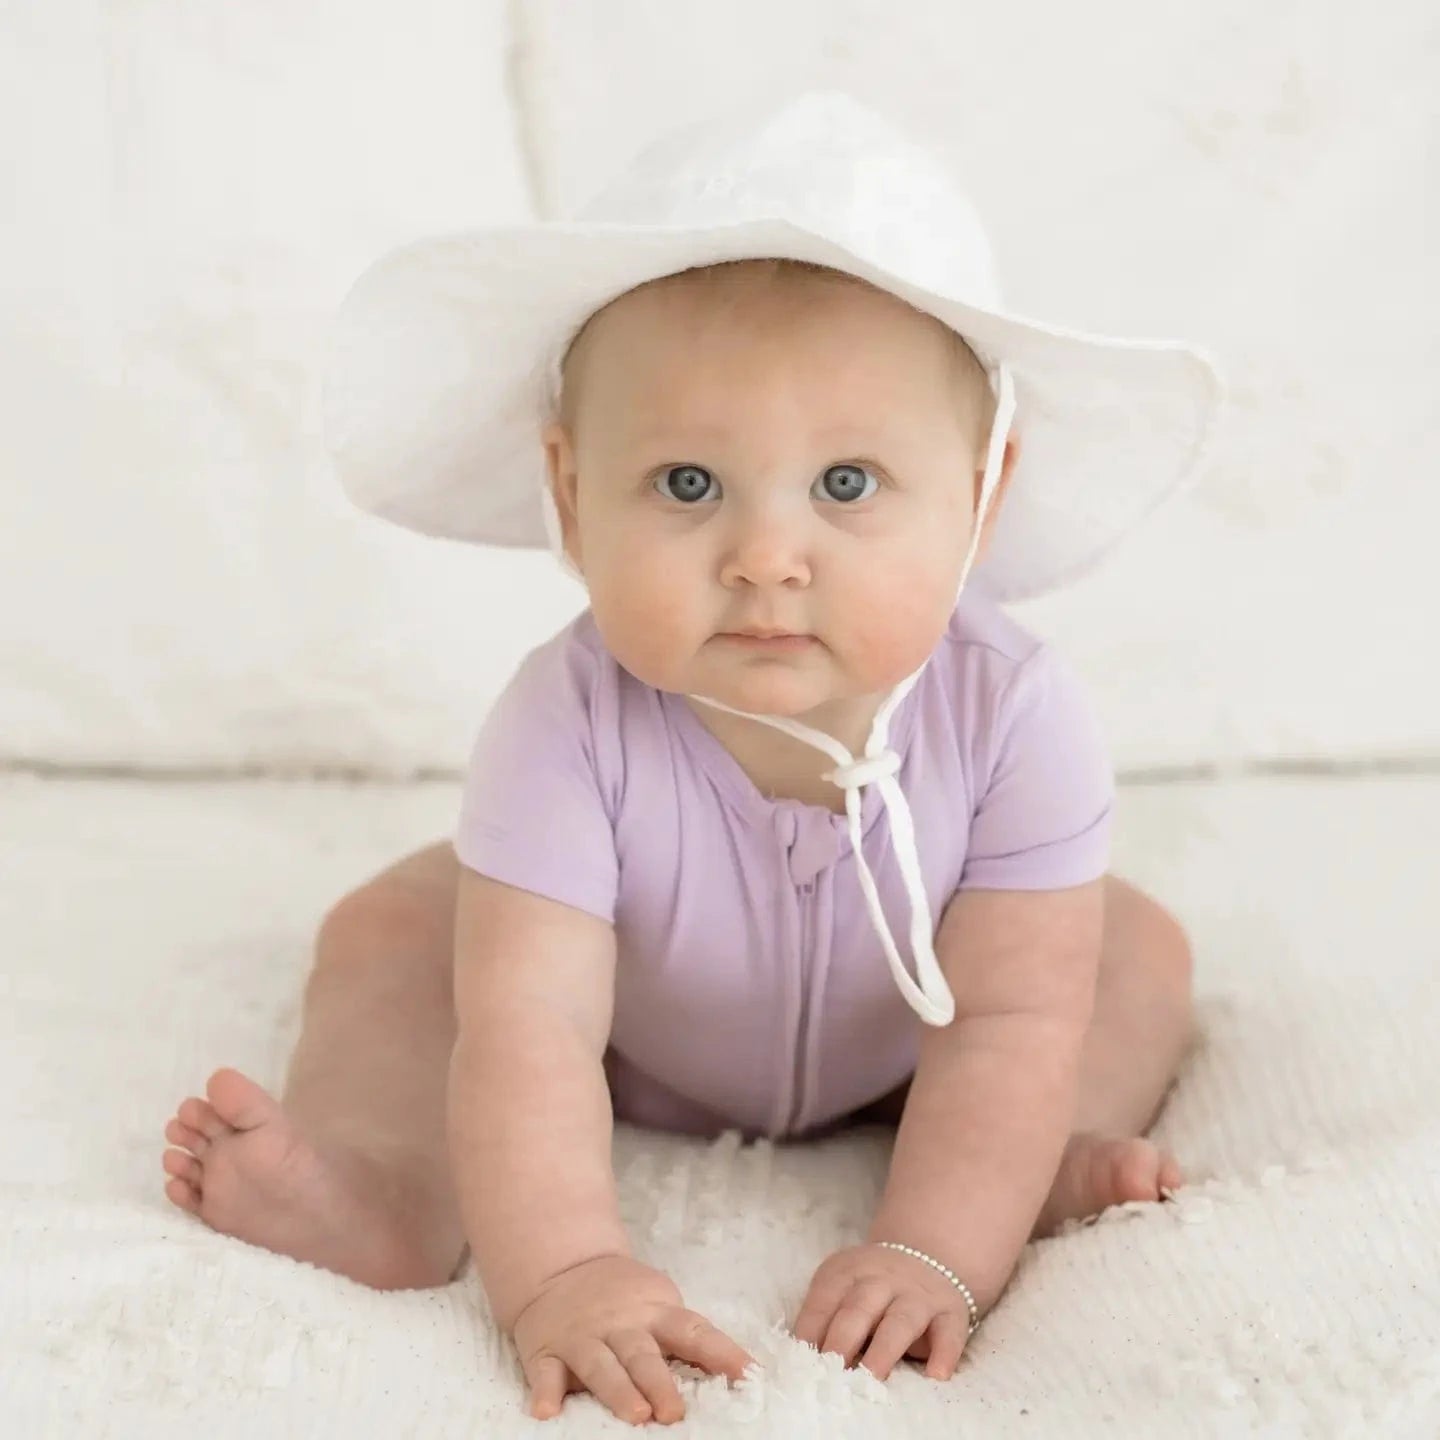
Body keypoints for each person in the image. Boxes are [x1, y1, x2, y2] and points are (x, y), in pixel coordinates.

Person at [160, 91, 1223, 1426]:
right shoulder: (567, 721)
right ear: (569, 490)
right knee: (395, 931)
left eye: (845, 484)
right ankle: (398, 1186)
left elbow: (1010, 1016)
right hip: (628, 1046)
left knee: (1126, 956)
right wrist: (568, 1273)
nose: (766, 555)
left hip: (925, 1036)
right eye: (687, 485)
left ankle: (1019, 1173)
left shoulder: (1012, 714)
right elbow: (534, 1026)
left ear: (981, 496)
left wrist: (935, 1250)